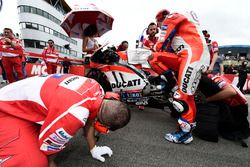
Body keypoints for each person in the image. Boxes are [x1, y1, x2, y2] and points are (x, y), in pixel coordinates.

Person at [0, 74, 131, 167]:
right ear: (103, 123)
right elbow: (50, 146)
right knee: (35, 162)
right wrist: (51, 162)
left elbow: (90, 120)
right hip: (8, 109)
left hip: (27, 103)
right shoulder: (74, 115)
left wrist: (93, 148)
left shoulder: (98, 89)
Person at [148, 9, 210, 144]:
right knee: (154, 58)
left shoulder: (171, 17)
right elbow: (162, 52)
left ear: (160, 20)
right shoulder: (181, 23)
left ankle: (185, 134)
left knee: (181, 97)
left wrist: (156, 44)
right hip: (188, 56)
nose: (158, 29)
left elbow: (160, 44)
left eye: (158, 26)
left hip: (193, 56)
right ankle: (172, 83)